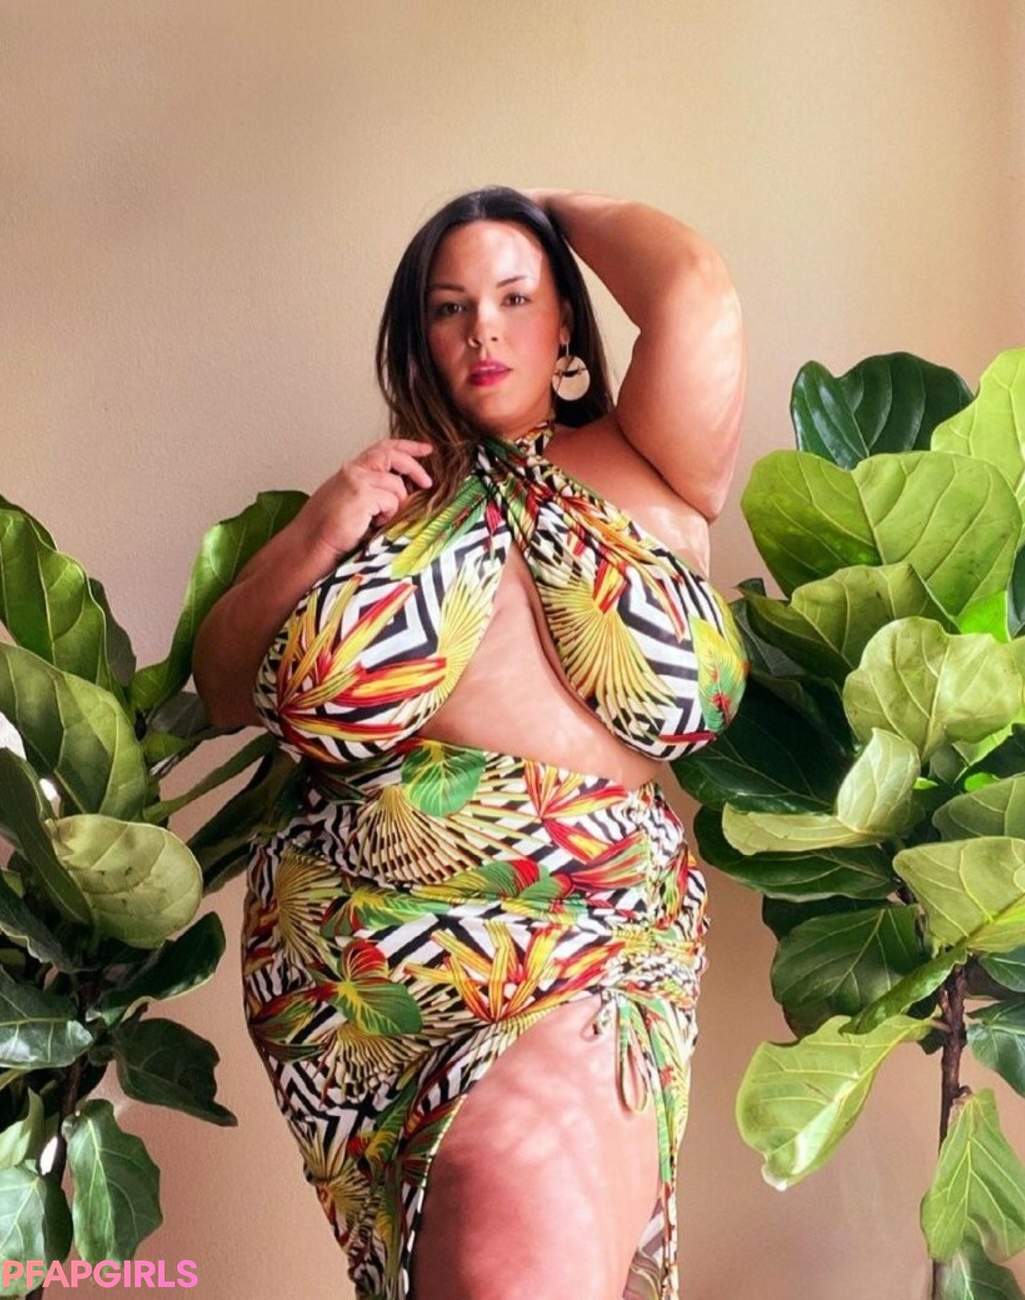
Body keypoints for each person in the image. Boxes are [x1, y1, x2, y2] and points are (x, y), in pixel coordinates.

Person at [192, 186, 747, 1300]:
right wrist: (319, 529)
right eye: (450, 307)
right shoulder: (383, 501)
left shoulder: (649, 465)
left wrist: (540, 210)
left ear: (566, 324)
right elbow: (220, 685)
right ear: (420, 336)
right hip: (364, 974)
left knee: (512, 1251)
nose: (482, 329)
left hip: (586, 939)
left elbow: (693, 290)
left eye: (513, 298)